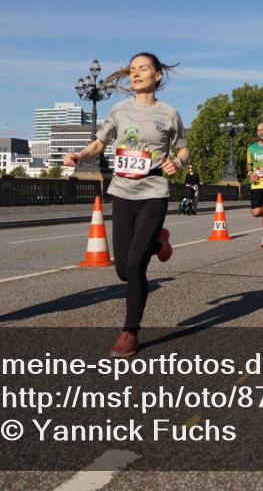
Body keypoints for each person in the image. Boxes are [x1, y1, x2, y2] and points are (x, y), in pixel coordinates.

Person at [63, 51, 187, 358]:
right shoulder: (119, 110)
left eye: (143, 69)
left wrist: (177, 162)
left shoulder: (169, 113)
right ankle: (159, 242)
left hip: (153, 192)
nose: (136, 73)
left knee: (135, 266)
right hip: (122, 191)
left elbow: (183, 150)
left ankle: (130, 331)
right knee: (122, 269)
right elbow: (100, 142)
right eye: (132, 69)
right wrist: (80, 156)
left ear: (158, 75)